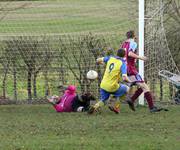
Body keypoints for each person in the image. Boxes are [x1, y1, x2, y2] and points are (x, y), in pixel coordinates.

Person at [121, 30, 162, 112]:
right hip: (130, 69)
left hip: (124, 68)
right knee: (145, 87)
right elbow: (129, 53)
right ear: (134, 36)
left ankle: (131, 100)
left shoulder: (123, 44)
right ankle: (151, 108)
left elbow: (124, 55)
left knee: (142, 86)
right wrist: (140, 57)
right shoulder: (133, 43)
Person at [88, 48, 133, 114]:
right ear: (124, 56)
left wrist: (103, 64)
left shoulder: (110, 58)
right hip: (112, 86)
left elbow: (97, 60)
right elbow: (124, 77)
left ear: (117, 53)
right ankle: (117, 107)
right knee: (126, 89)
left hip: (103, 85)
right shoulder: (122, 63)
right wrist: (130, 81)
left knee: (104, 100)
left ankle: (95, 107)